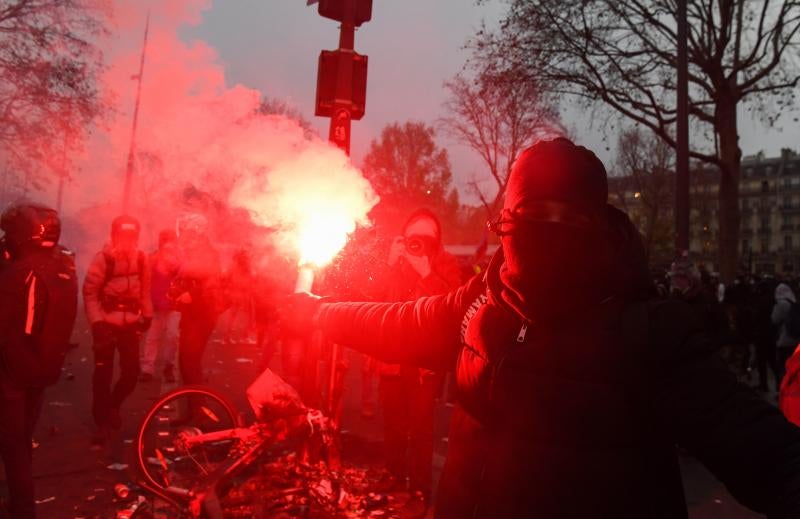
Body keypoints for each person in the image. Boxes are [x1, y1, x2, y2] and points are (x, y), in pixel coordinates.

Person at [286, 138, 800, 518]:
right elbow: (397, 324)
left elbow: (764, 451)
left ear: (599, 226)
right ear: (508, 217)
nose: (550, 229)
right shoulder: (479, 307)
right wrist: (318, 311)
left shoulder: (652, 333)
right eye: (533, 212)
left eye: (570, 217)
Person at [372, 209, 461, 514]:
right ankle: (393, 478)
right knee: (393, 424)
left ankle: (420, 489)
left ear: (436, 241)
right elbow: (373, 300)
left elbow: (452, 306)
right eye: (413, 238)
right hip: (393, 356)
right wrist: (389, 262)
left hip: (424, 361)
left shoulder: (445, 264)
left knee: (421, 428)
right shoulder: (395, 264)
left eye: (426, 238)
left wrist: (426, 273)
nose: (418, 244)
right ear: (403, 238)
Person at [0, 201, 78, 518]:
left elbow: (6, 327)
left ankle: (22, 509)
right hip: (44, 368)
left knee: (14, 443)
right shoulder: (64, 265)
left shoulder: (18, 271)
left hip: (14, 371)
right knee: (22, 437)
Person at [84, 215, 152, 445]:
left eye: (132, 236)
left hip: (130, 324)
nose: (127, 240)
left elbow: (145, 290)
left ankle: (113, 405)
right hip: (106, 323)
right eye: (123, 235)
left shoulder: (142, 259)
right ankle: (101, 422)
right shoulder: (103, 259)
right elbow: (90, 293)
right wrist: (97, 323)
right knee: (102, 375)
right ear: (114, 236)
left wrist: (148, 315)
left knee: (131, 373)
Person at [169, 213, 222, 387]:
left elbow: (214, 283)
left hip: (203, 314)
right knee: (185, 360)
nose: (182, 236)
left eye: (185, 232)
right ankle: (193, 407)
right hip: (192, 314)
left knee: (190, 360)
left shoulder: (207, 253)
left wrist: (192, 294)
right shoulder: (192, 252)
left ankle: (198, 409)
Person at [140, 229, 181, 383]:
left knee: (172, 336)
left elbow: (182, 273)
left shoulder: (179, 258)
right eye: (165, 240)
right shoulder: (153, 257)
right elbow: (146, 277)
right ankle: (147, 369)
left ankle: (168, 366)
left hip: (174, 305)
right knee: (152, 337)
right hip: (156, 304)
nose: (167, 244)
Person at [772, 282, 799, 387]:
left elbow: (774, 320)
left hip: (784, 340)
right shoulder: (794, 302)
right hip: (796, 341)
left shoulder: (782, 304)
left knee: (783, 367)